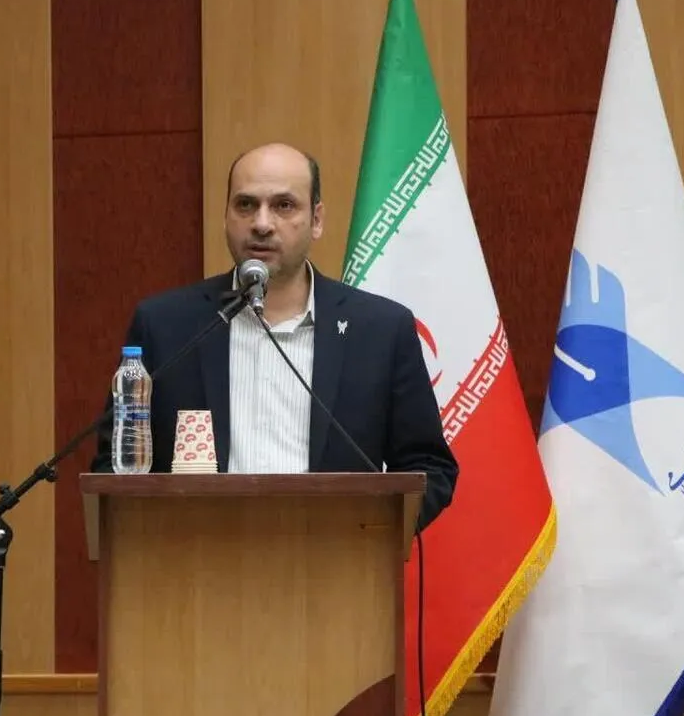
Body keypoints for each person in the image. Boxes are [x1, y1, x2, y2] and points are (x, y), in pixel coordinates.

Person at [90, 143, 458, 531]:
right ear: (226, 216)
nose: (262, 224)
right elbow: (114, 468)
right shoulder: (166, 326)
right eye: (246, 205)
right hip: (197, 558)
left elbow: (429, 468)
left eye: (284, 205)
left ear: (316, 220)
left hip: (335, 559)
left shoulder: (380, 331)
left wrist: (367, 534)